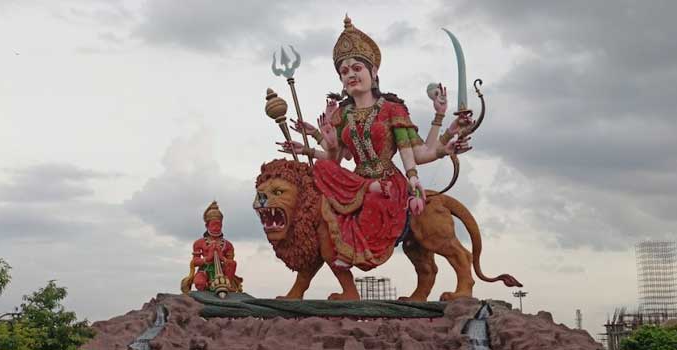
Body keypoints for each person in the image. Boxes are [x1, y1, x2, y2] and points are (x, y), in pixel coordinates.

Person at [278, 16, 471, 275]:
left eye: (356, 68)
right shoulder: (343, 115)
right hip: (358, 181)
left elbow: (417, 154)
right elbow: (336, 160)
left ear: (373, 72)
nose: (351, 75)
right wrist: (312, 146)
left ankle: (359, 245)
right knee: (321, 171)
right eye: (344, 72)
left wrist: (443, 132)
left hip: (387, 182)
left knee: (376, 199)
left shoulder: (391, 109)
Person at [188, 201, 242, 293]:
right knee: (199, 283)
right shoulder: (199, 243)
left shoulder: (228, 245)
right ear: (207, 225)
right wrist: (208, 258)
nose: (217, 228)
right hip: (205, 270)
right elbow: (195, 262)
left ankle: (228, 285)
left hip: (223, 272)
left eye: (219, 225)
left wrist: (221, 257)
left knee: (232, 263)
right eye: (214, 225)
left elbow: (231, 263)